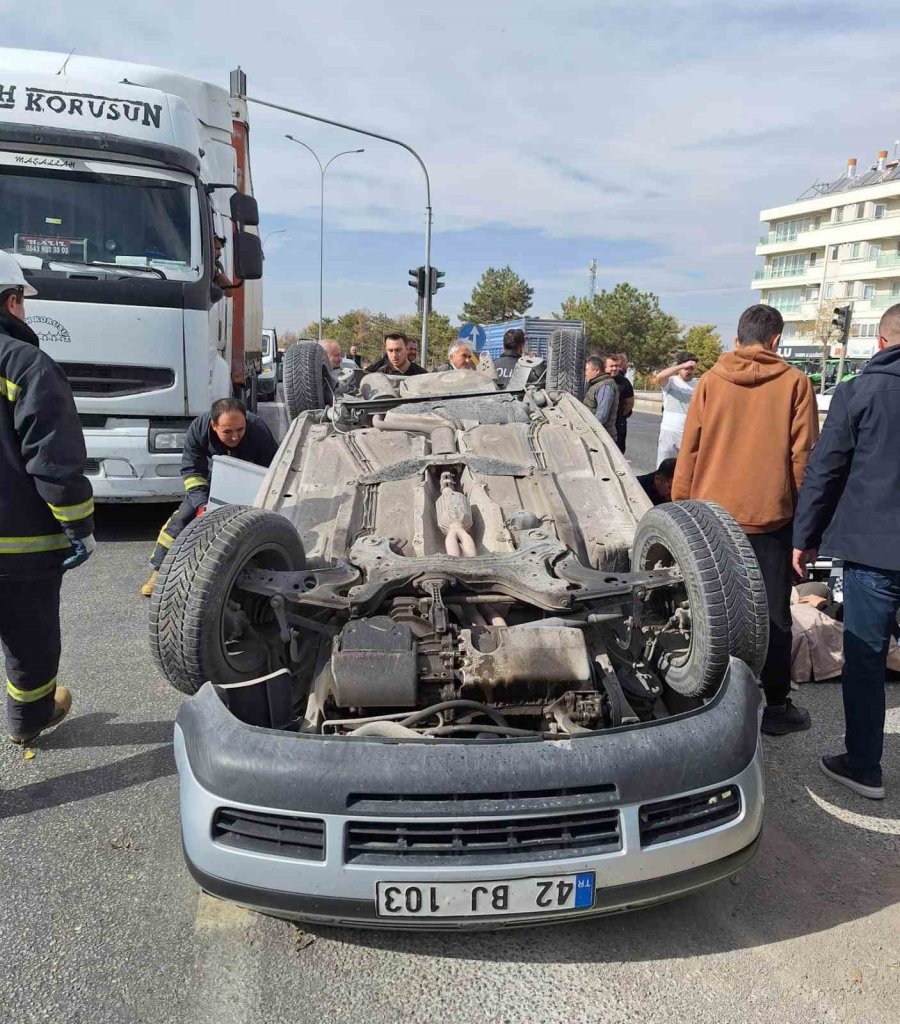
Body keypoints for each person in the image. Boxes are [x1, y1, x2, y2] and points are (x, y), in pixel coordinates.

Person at [671, 303, 819, 737]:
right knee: (773, 614)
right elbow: (803, 459)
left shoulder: (710, 382)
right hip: (770, 520)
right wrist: (804, 525)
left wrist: (681, 508)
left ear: (738, 339)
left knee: (709, 606)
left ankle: (706, 697)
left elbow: (690, 451)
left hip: (711, 520)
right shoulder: (796, 383)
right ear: (775, 340)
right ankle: (774, 706)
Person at [792, 303, 900, 800]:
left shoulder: (860, 392)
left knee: (865, 658)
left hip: (873, 554)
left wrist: (805, 537)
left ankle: (863, 767)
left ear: (881, 342)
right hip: (873, 551)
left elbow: (825, 469)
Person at [0, 251, 95, 744]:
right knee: (30, 644)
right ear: (12, 301)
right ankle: (27, 721)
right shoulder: (26, 364)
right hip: (18, 550)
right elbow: (53, 463)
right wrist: (79, 528)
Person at [141, 397, 278, 596]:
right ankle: (158, 572)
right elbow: (192, 470)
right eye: (227, 432)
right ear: (214, 426)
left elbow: (274, 470)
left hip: (252, 478)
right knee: (181, 520)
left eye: (240, 430)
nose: (235, 437)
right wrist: (201, 506)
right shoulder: (198, 429)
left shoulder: (258, 429)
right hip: (216, 478)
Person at [654, 351, 699, 463]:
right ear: (679, 368)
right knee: (664, 468)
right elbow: (659, 376)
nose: (689, 371)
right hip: (670, 432)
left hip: (688, 434)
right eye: (686, 368)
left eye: (691, 369)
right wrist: (683, 365)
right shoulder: (671, 382)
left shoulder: (698, 384)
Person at [582, 354, 619, 439]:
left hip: (603, 437)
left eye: (587, 370)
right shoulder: (596, 385)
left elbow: (601, 416)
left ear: (597, 370)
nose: (585, 373)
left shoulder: (605, 387)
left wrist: (588, 431)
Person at [612, 352, 635, 453]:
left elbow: (629, 403)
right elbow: (630, 404)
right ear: (621, 363)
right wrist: (620, 415)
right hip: (618, 423)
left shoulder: (623, 382)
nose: (626, 366)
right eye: (626, 363)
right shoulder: (624, 382)